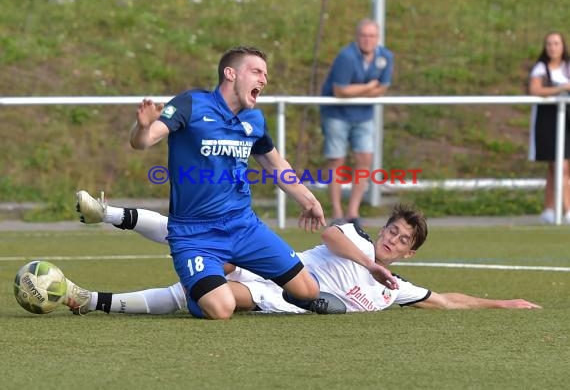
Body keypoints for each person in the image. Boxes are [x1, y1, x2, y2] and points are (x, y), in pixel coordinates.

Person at [127, 46, 397, 320]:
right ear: (230, 73)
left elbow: (276, 165)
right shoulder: (191, 104)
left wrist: (308, 200)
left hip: (243, 226)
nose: (263, 80)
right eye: (256, 71)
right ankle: (199, 295)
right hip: (194, 234)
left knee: (307, 291)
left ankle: (252, 287)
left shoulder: (253, 119)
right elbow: (144, 141)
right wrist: (143, 127)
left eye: (265, 75)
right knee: (220, 310)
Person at [65, 193, 540, 315]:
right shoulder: (356, 239)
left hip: (274, 300)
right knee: (203, 243)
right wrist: (369, 260)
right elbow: (333, 236)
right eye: (392, 231)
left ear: (409, 254)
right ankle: (108, 212)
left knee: (214, 298)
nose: (392, 240)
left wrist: (503, 303)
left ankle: (89, 300)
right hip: (276, 268)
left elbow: (445, 299)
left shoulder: (397, 289)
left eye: (402, 241)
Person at [320, 18, 394, 226]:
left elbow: (383, 88)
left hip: (363, 115)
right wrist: (369, 87)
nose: (368, 40)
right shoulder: (346, 56)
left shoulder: (385, 56)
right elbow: (340, 90)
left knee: (364, 158)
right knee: (336, 161)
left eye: (372, 36)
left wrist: (362, 90)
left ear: (377, 38)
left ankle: (353, 212)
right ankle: (337, 212)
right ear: (357, 37)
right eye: (364, 35)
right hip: (337, 114)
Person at [528, 31, 570, 224]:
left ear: (563, 46)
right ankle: (568, 210)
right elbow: (535, 90)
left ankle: (549, 209)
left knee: (559, 168)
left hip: (566, 120)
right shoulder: (540, 68)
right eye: (549, 44)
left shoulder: (568, 67)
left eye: (556, 43)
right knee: (558, 165)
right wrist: (561, 89)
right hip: (547, 122)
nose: (553, 47)